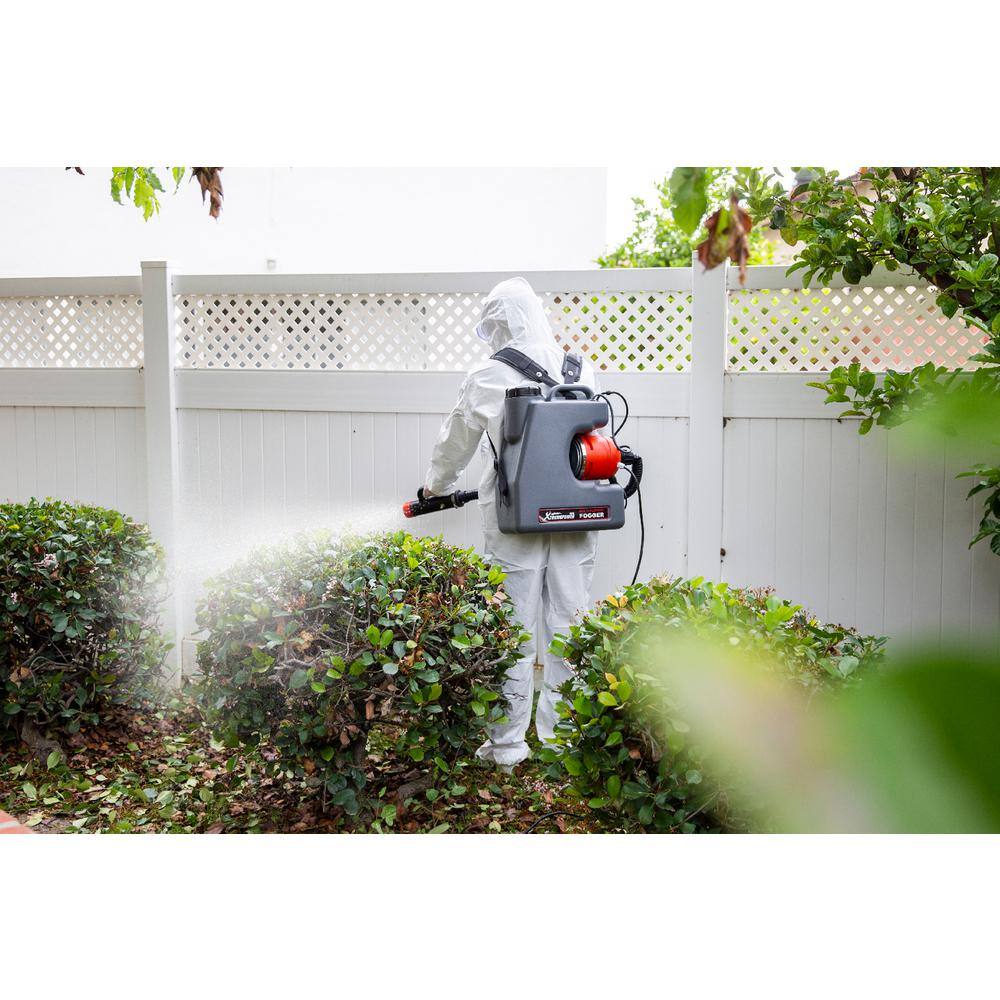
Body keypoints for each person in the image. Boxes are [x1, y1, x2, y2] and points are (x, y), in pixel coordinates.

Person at [421, 277, 599, 767]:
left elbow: (454, 443)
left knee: (512, 629)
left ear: (497, 325)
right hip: (576, 514)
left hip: (513, 520)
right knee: (570, 625)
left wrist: (435, 487)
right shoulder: (579, 368)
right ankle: (563, 739)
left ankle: (506, 747)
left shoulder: (487, 375)